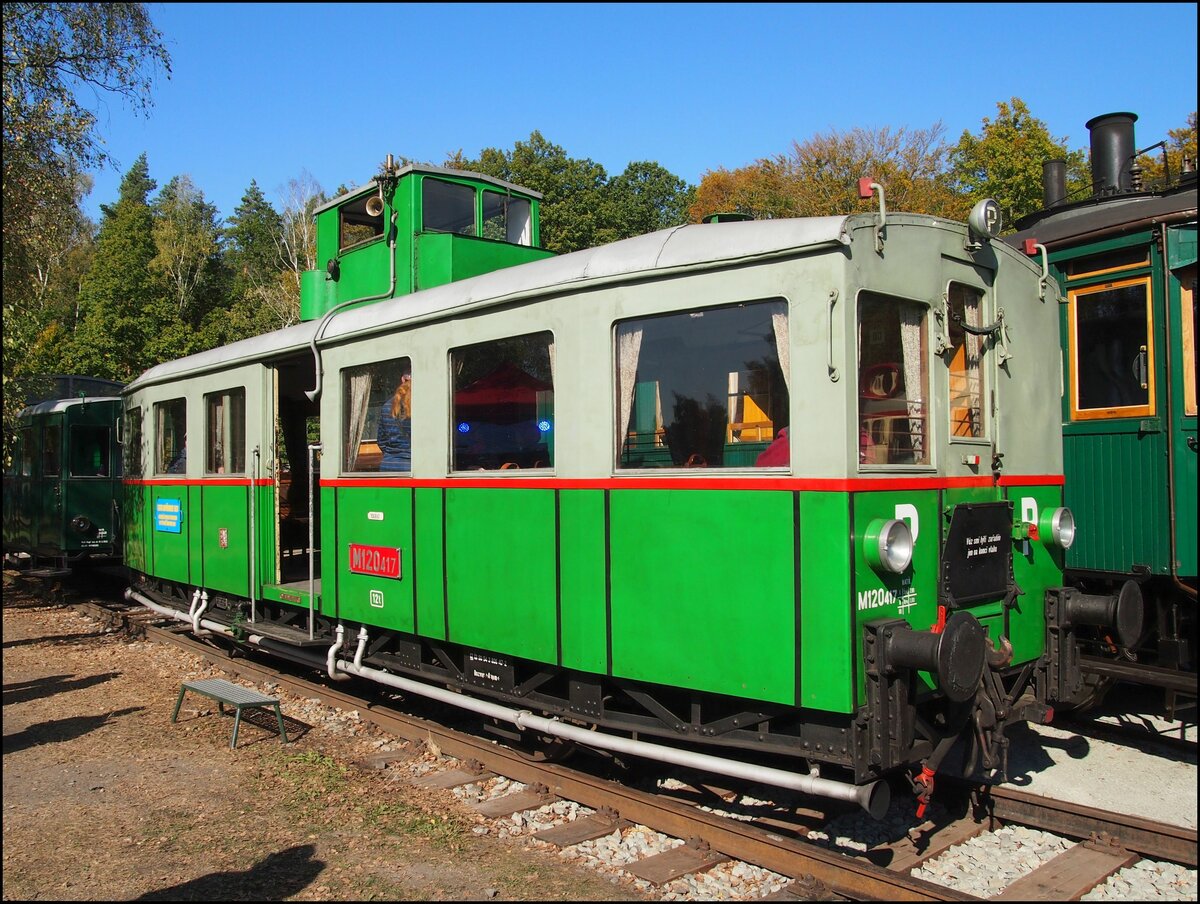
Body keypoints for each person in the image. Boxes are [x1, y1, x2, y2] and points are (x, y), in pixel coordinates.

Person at [377, 373, 412, 471]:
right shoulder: (420, 406)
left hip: (388, 465)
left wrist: (393, 455)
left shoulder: (387, 406)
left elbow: (381, 440)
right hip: (411, 467)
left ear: (402, 380)